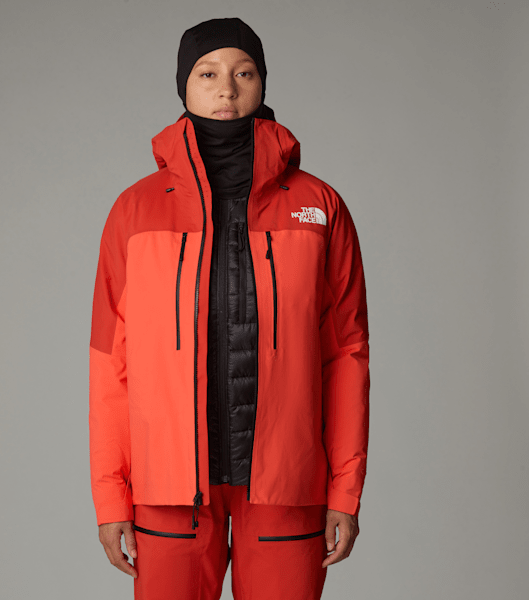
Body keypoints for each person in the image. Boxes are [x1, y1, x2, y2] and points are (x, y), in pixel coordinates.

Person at [89, 17, 370, 600]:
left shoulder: (319, 207)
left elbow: (346, 357)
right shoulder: (134, 211)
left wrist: (345, 490)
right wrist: (111, 496)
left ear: (262, 83)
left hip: (288, 482)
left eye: (244, 73)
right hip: (168, 490)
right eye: (207, 73)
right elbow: (111, 365)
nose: (226, 88)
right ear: (183, 86)